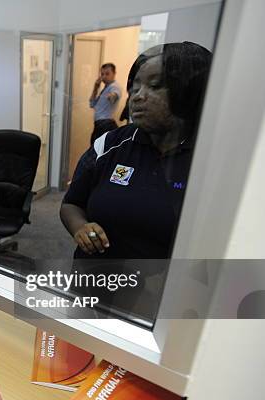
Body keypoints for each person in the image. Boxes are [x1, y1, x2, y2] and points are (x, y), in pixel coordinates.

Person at [60, 42, 212, 317]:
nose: (138, 96)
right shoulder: (110, 144)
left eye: (155, 86)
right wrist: (81, 227)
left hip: (157, 304)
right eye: (136, 85)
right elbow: (71, 204)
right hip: (91, 285)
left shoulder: (212, 161)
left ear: (191, 93)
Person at [89, 63, 122, 145]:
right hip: (100, 124)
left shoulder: (114, 86)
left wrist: (112, 96)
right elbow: (92, 104)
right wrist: (95, 87)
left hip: (105, 124)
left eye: (107, 74)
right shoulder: (105, 88)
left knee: (97, 150)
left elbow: (115, 95)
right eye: (102, 74)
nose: (104, 77)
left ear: (114, 74)